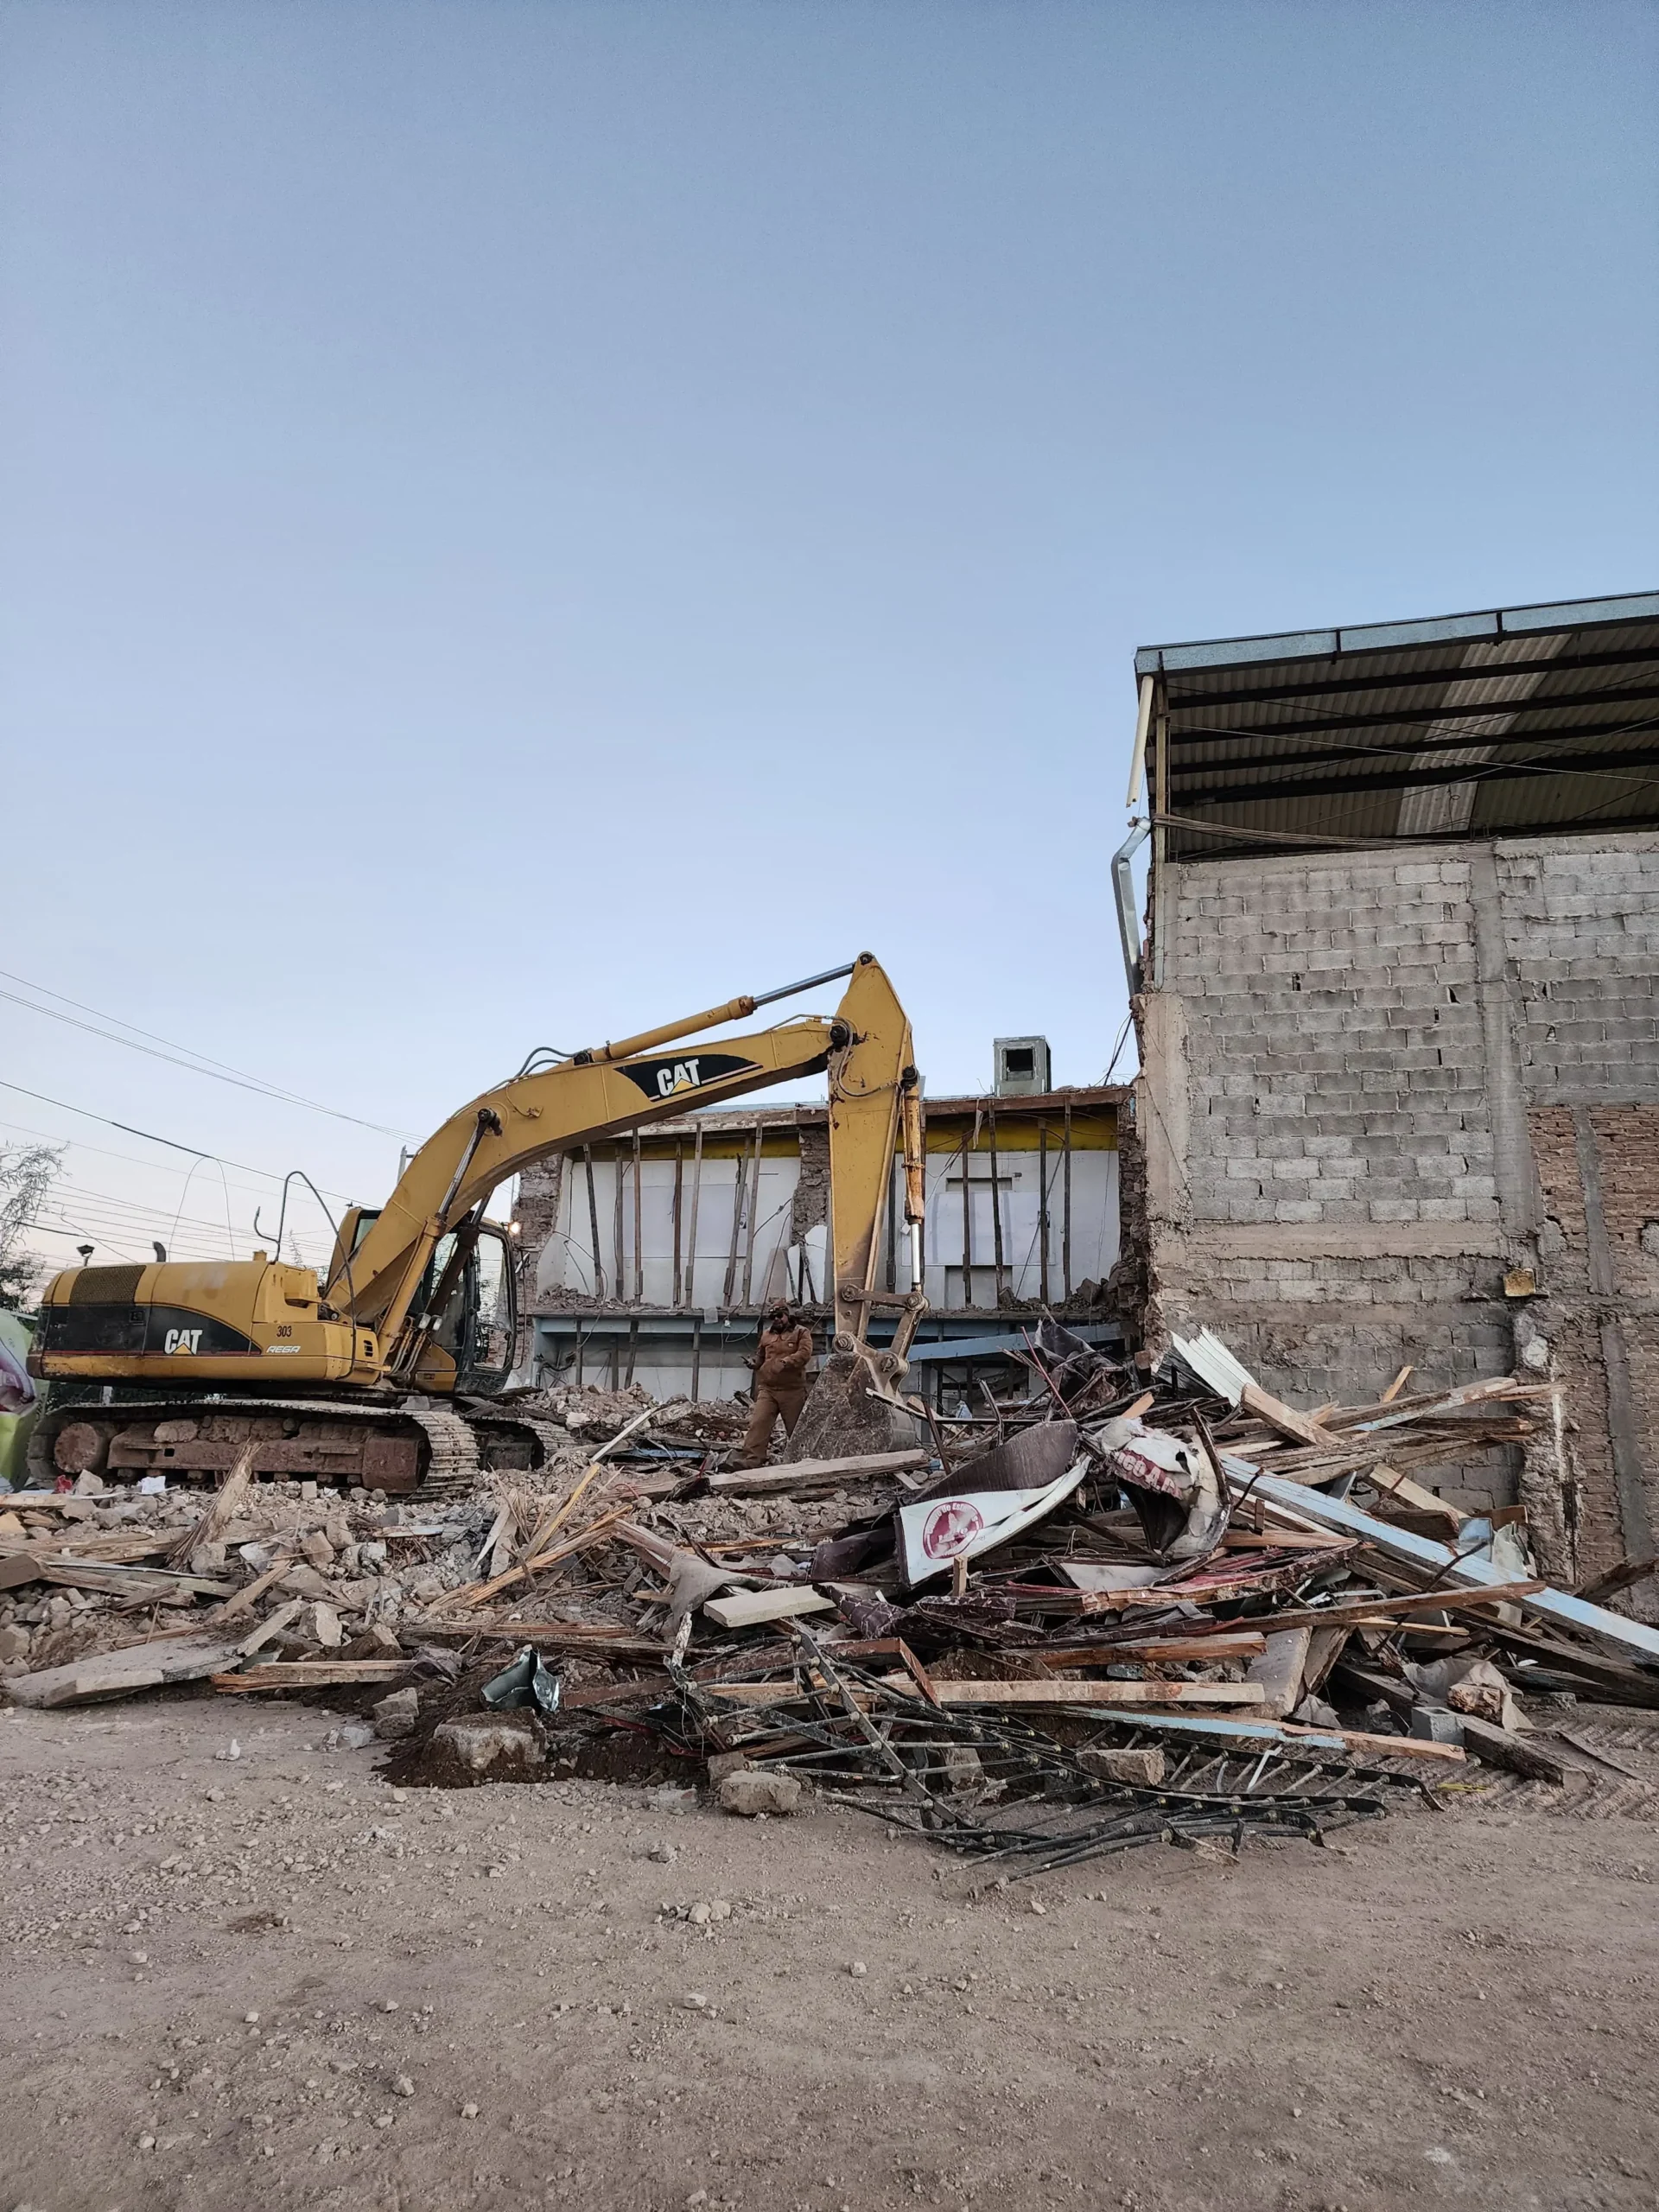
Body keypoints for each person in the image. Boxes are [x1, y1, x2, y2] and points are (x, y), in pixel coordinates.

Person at [733, 1302, 815, 1468]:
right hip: (767, 1388)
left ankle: (802, 1463)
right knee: (759, 1423)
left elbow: (805, 1353)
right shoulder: (766, 1335)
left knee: (796, 1428)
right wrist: (753, 1363)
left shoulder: (801, 1332)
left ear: (787, 1315)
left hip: (792, 1390)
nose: (776, 1320)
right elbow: (760, 1357)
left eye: (779, 1316)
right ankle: (751, 1461)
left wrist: (786, 1362)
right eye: (773, 1317)